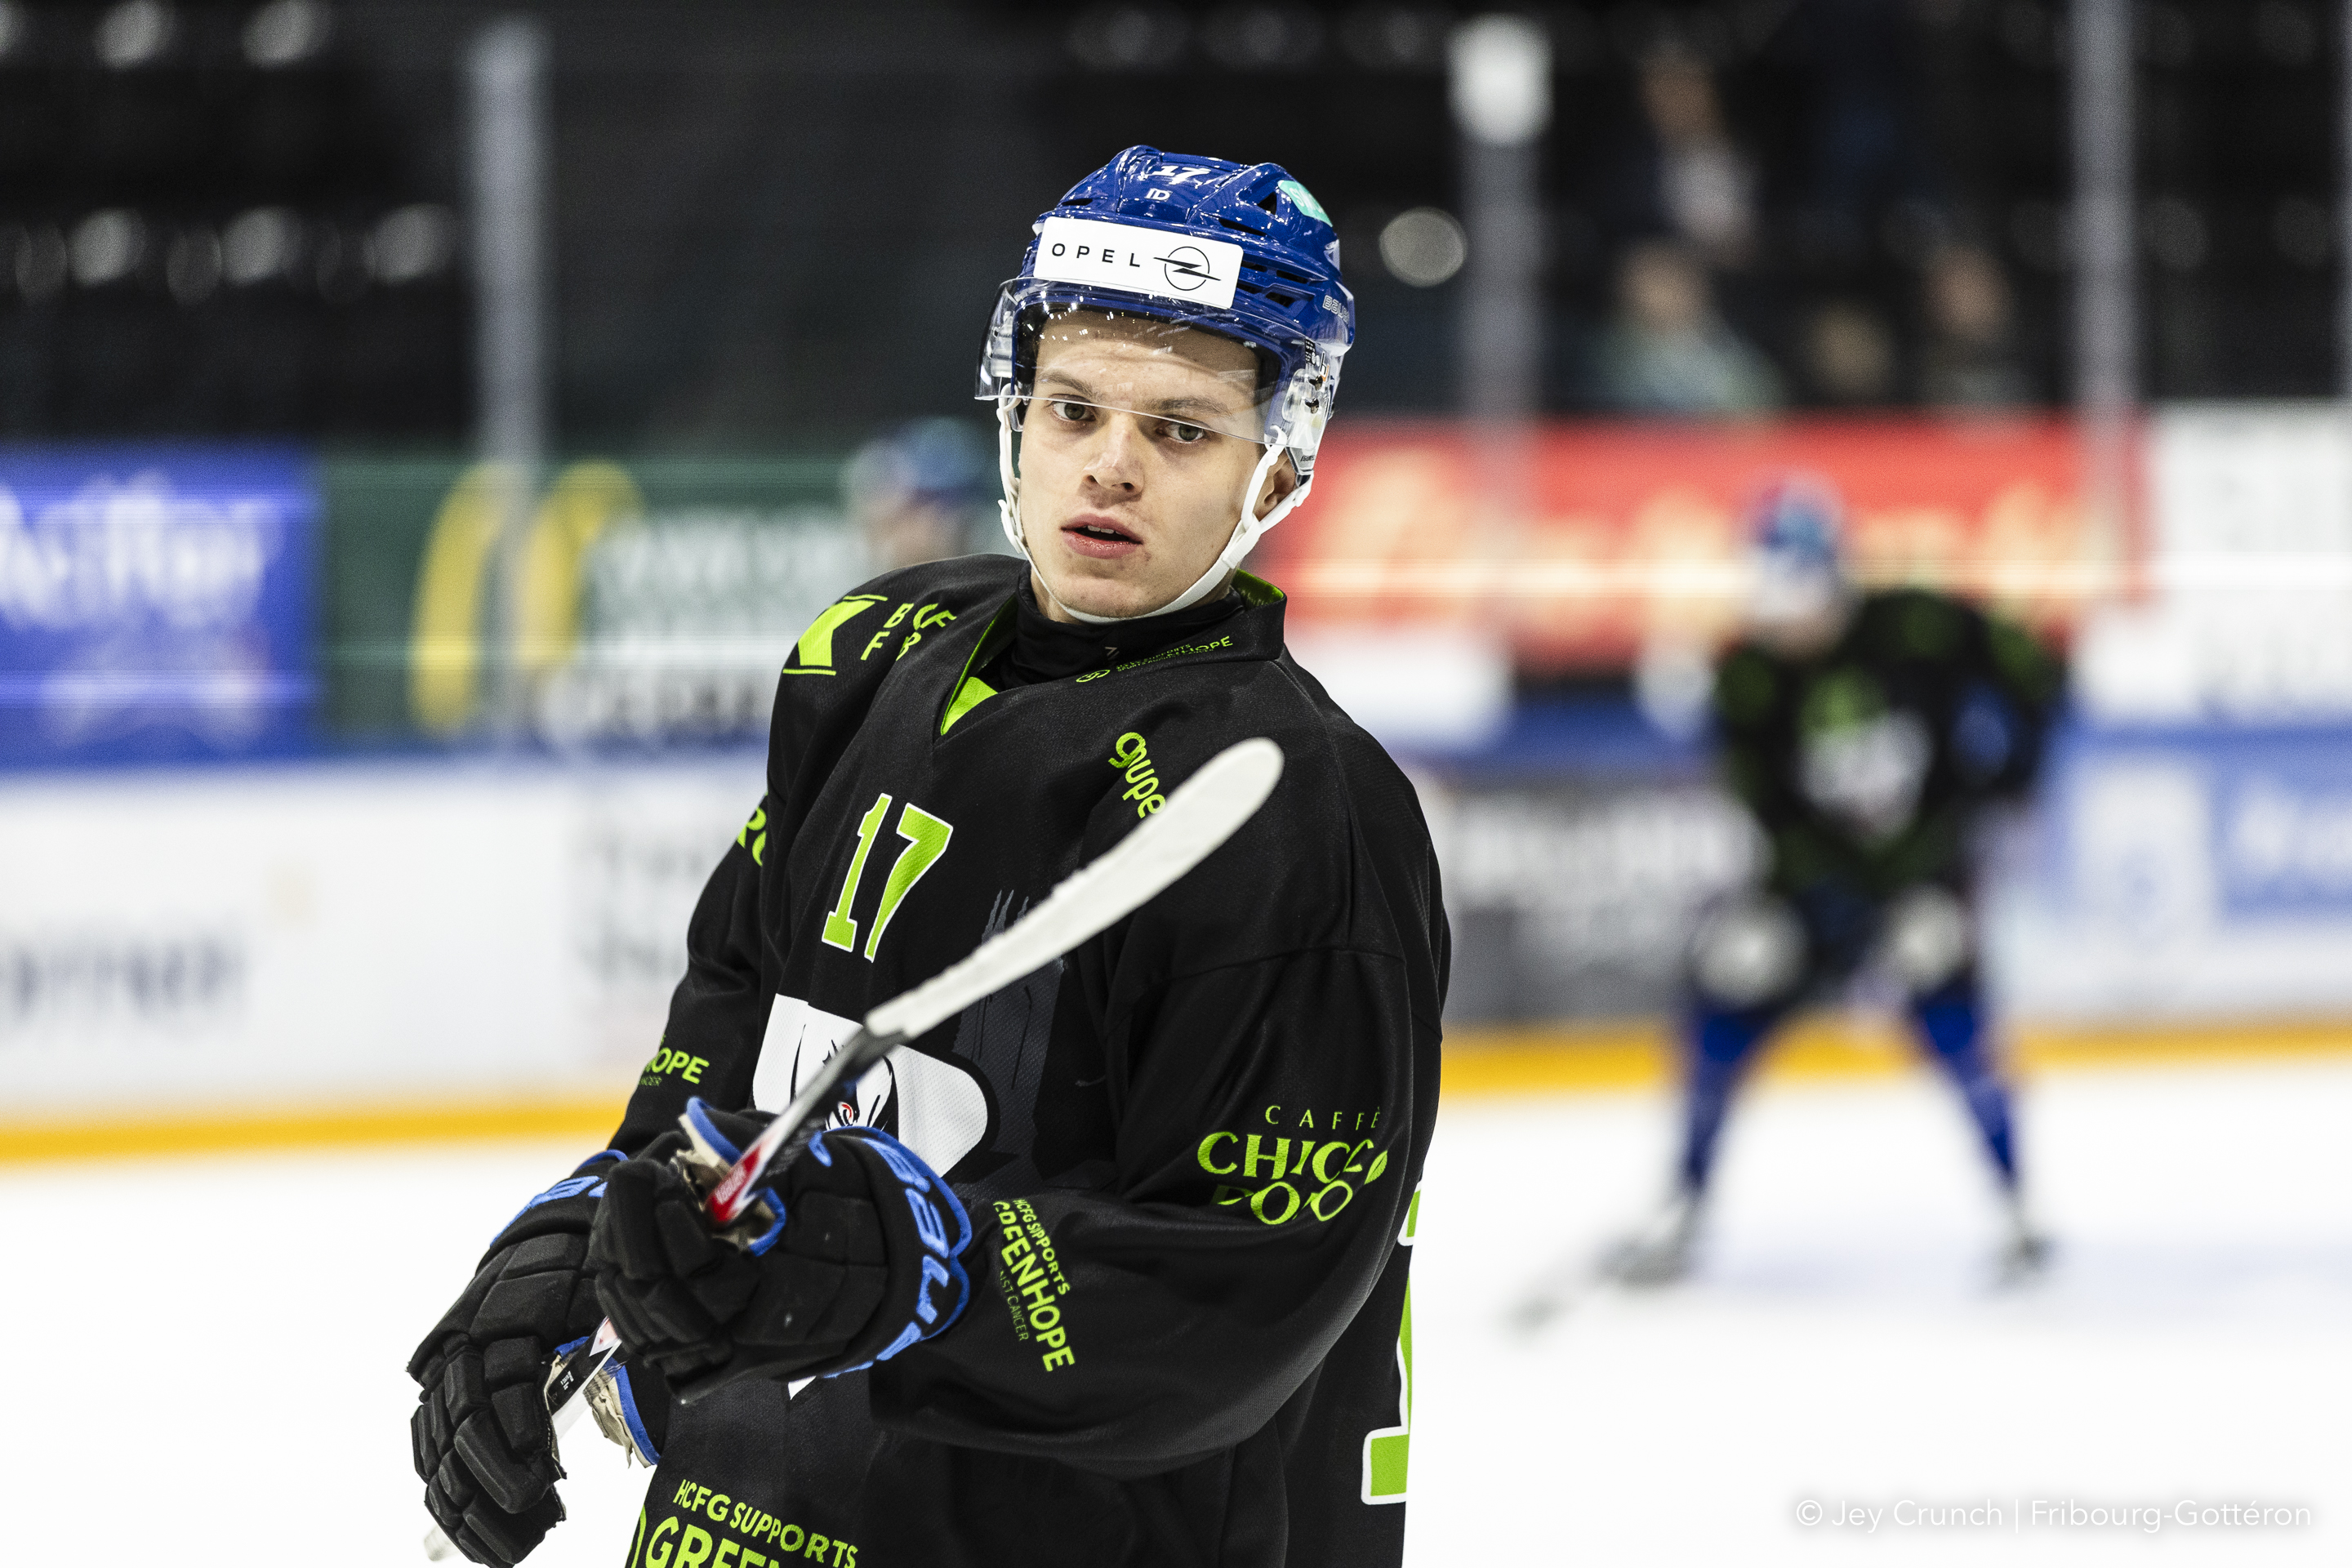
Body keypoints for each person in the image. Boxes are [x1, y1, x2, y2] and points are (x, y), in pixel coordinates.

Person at [406, 145, 1448, 1568]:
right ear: (1014, 407)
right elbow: (737, 1021)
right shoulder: (872, 655)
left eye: (1183, 429)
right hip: (747, 1516)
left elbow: (1242, 1297)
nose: (1111, 463)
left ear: (1280, 455)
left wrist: (914, 1270)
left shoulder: (1293, 812)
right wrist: (591, 1234)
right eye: (1073, 408)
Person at [1611, 475, 2060, 1286]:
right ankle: (1682, 1201)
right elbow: (1768, 809)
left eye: (1797, 599)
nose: (1786, 622)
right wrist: (1800, 911)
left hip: (1924, 874)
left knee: (1954, 1012)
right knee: (1726, 989)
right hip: (1809, 889)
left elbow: (2031, 664)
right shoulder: (1747, 678)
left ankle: (2017, 1207)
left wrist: (2010, 782)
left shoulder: (1918, 625)